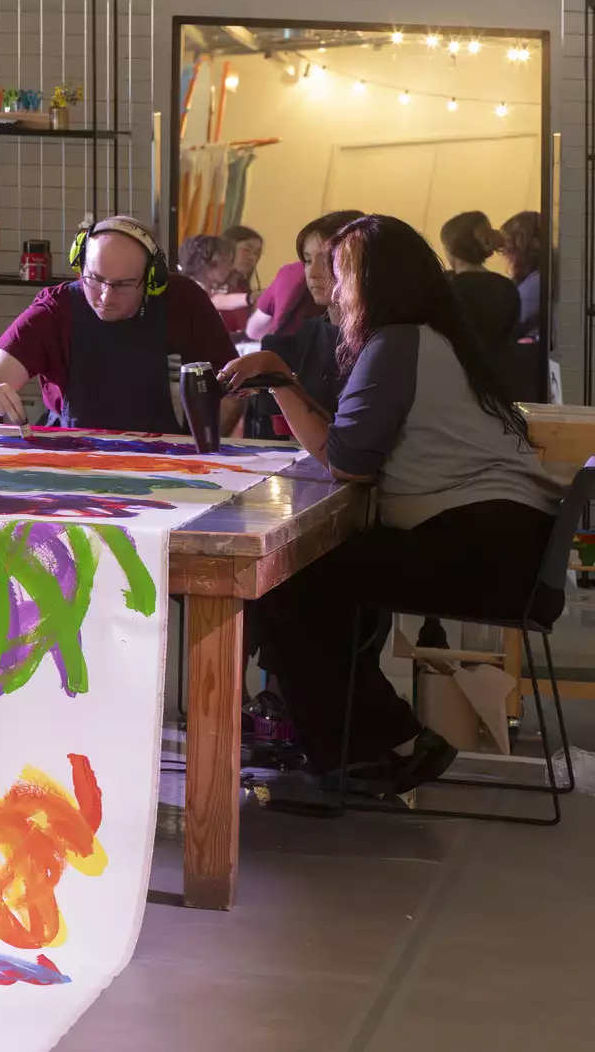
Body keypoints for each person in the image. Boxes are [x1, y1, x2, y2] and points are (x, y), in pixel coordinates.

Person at [219, 215, 563, 794]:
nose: (331, 288)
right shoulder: (431, 336)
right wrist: (291, 383)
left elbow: (349, 461)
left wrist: (279, 378)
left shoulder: (397, 341)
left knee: (285, 579)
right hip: (510, 541)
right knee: (320, 573)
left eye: (342, 275)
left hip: (485, 546)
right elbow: (356, 441)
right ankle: (368, 741)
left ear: (380, 282)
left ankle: (373, 748)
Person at [0, 216, 242, 434]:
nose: (106, 297)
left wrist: (209, 451)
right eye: (95, 279)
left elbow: (231, 389)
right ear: (79, 264)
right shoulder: (55, 310)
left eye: (123, 284)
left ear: (153, 279)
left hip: (170, 461)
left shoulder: (184, 301)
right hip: (71, 458)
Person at [246, 210, 364, 436]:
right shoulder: (308, 334)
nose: (313, 273)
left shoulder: (380, 339)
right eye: (308, 260)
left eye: (328, 259)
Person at [441, 211, 521, 384]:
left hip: (454, 375)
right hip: (499, 376)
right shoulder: (506, 287)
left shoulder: (445, 288)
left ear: (451, 249)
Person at [500, 210, 544, 342]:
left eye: (507, 243)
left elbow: (509, 325)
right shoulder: (532, 278)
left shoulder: (536, 283)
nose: (503, 251)